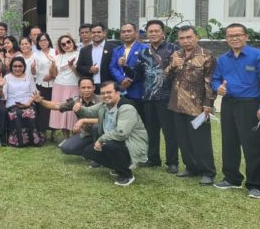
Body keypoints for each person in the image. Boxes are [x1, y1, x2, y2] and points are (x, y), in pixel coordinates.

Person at [211, 23, 260, 199]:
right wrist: (218, 88)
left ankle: (256, 185)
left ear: (246, 36)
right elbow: (215, 79)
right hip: (229, 104)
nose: (234, 38)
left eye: (238, 35)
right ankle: (232, 178)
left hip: (251, 105)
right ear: (226, 39)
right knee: (229, 142)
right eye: (230, 36)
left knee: (252, 145)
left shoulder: (259, 56)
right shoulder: (223, 59)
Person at [125, 20, 179, 173]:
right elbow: (136, 75)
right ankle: (153, 159)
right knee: (151, 131)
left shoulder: (173, 49)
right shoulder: (143, 52)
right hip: (148, 97)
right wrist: (124, 67)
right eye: (150, 31)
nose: (153, 33)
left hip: (167, 97)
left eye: (156, 31)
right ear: (147, 34)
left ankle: (172, 162)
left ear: (163, 33)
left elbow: (179, 72)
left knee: (170, 132)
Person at [165, 26, 216, 185]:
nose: (185, 41)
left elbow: (210, 82)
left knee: (201, 140)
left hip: (197, 106)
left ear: (197, 38)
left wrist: (209, 104)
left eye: (189, 37)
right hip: (177, 104)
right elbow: (166, 78)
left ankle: (207, 171)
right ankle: (191, 167)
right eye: (182, 38)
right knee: (183, 139)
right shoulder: (176, 54)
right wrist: (172, 66)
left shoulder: (206, 56)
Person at [74, 81, 149, 187]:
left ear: (118, 93)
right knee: (89, 152)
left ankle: (126, 175)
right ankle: (118, 166)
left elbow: (121, 133)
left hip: (131, 145)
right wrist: (79, 108)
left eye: (109, 92)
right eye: (103, 93)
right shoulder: (104, 105)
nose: (105, 96)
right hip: (115, 142)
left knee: (110, 145)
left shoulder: (126, 108)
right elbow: (88, 112)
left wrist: (100, 140)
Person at [35, 78, 100, 157]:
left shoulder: (101, 100)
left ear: (94, 88)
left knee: (96, 127)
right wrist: (41, 101)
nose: (86, 90)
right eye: (83, 87)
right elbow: (56, 105)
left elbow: (105, 120)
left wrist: (82, 121)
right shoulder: (76, 100)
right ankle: (90, 150)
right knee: (67, 148)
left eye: (89, 87)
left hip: (102, 133)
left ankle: (97, 155)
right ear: (79, 88)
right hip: (86, 133)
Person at [0, 56, 40, 147]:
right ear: (11, 67)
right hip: (13, 104)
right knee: (16, 113)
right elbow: (2, 97)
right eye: (15, 66)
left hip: (28, 103)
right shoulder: (7, 77)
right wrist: (1, 87)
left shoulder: (29, 76)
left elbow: (35, 92)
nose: (17, 68)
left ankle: (33, 140)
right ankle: (19, 141)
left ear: (24, 67)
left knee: (30, 112)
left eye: (20, 66)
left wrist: (28, 103)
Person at [49, 35, 80, 142]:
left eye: (68, 42)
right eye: (63, 44)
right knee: (61, 111)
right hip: (59, 86)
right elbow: (53, 74)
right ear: (60, 47)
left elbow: (79, 74)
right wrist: (53, 63)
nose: (67, 45)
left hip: (74, 86)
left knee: (73, 112)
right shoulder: (58, 57)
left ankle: (75, 139)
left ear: (72, 42)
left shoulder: (79, 55)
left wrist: (71, 66)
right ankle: (66, 138)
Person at [76, 23, 115, 92]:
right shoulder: (84, 50)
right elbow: (79, 67)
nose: (96, 34)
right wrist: (89, 69)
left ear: (104, 33)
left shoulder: (113, 48)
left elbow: (116, 67)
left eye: (99, 32)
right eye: (93, 32)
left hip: (108, 86)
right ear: (90, 34)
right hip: (90, 87)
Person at [33, 32, 57, 140]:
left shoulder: (55, 52)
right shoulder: (36, 54)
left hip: (54, 84)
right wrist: (33, 68)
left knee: (53, 108)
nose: (43, 42)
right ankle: (43, 132)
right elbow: (34, 72)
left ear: (49, 41)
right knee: (42, 109)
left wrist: (51, 76)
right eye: (41, 40)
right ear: (38, 42)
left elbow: (59, 67)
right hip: (41, 84)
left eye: (45, 40)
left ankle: (53, 132)